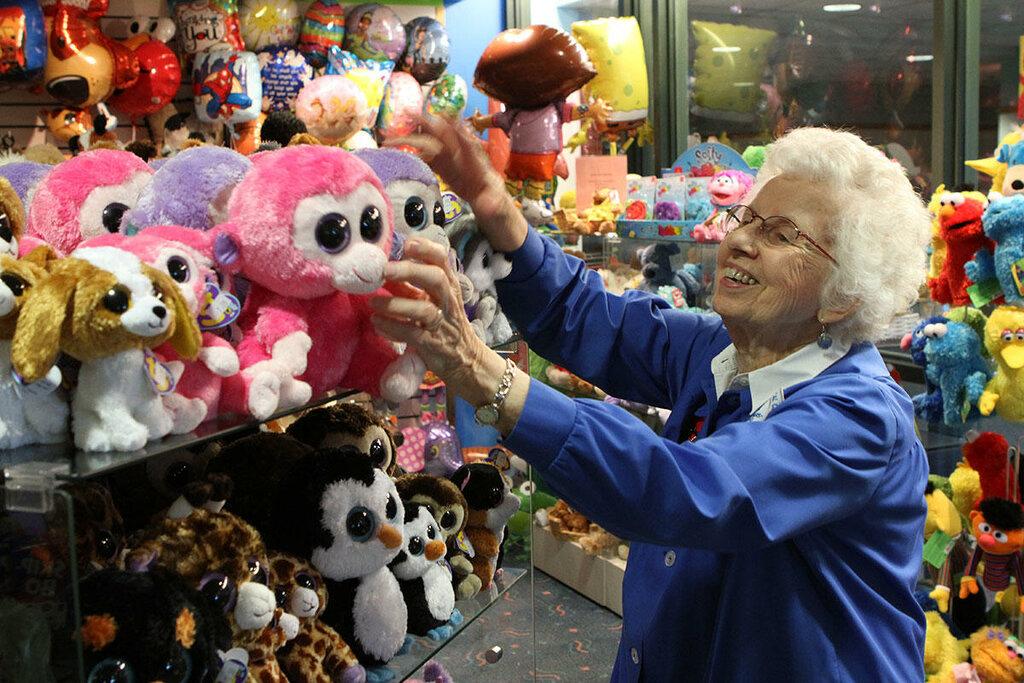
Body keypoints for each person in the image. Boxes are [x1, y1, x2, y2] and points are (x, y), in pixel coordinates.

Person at [372, 116, 931, 681]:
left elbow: (690, 492)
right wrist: (497, 208)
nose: (739, 240)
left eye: (782, 235)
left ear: (843, 299)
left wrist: (476, 366)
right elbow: (594, 320)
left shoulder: (859, 418)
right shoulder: (729, 348)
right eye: (747, 218)